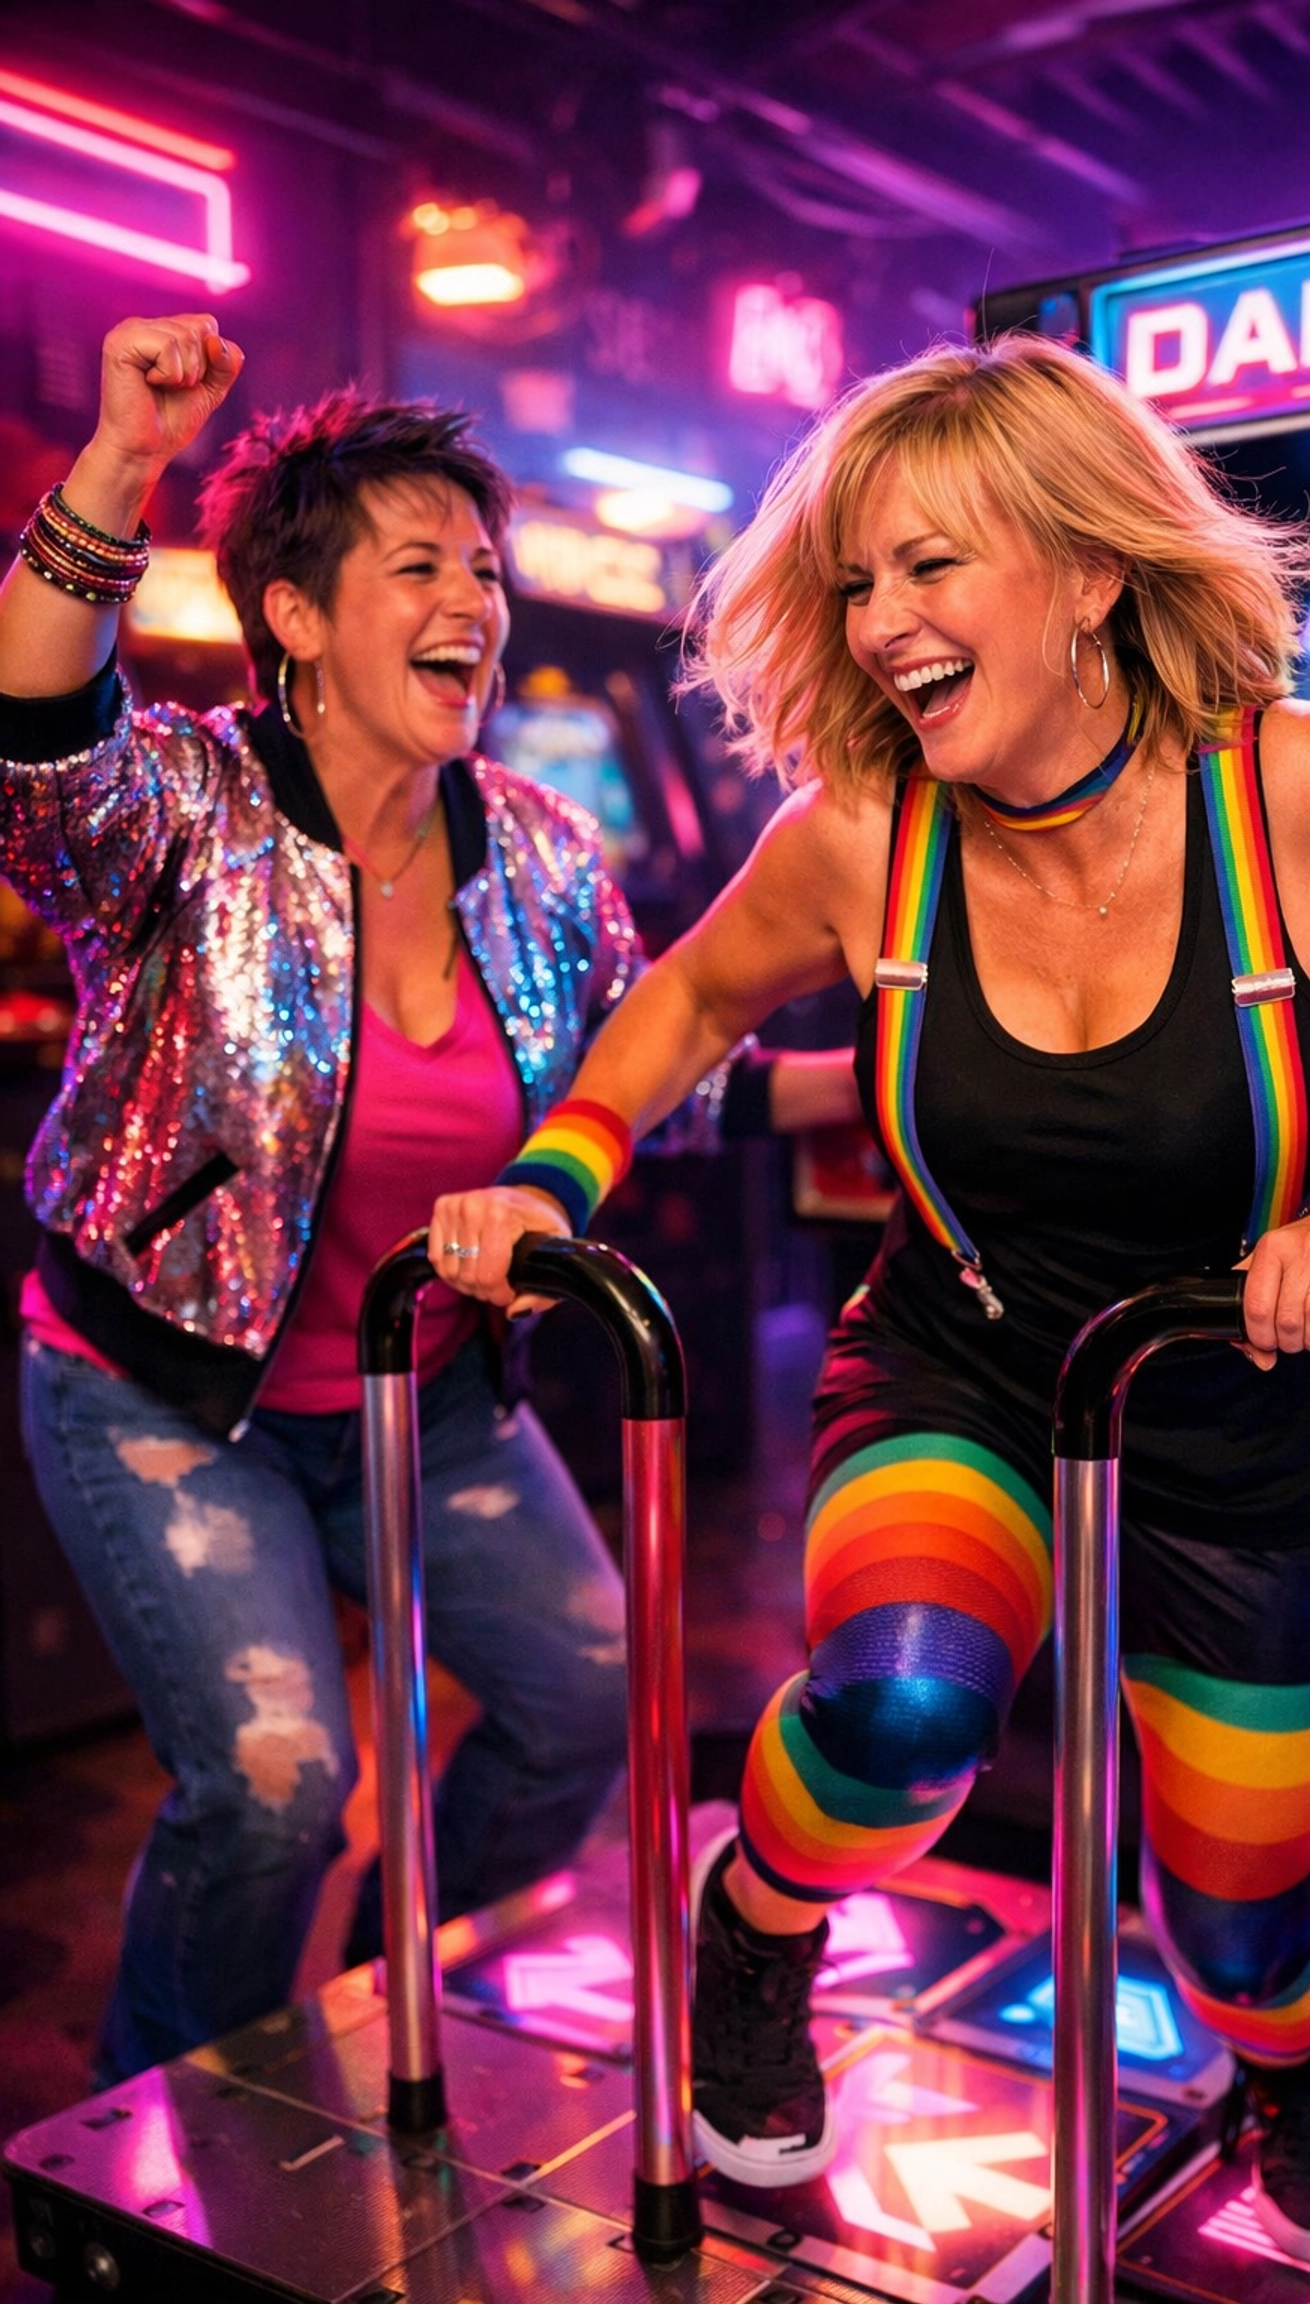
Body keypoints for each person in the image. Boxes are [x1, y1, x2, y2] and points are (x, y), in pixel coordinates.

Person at [431, 333, 1310, 2268]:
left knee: (1243, 1918)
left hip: (1253, 1421)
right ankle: (757, 1919)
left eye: (929, 568)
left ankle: (1287, 2056)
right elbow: (686, 997)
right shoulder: (864, 835)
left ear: (1091, 573)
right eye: (856, 581)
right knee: (909, 1702)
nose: (878, 624)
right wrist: (552, 1168)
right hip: (967, 1360)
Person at [0, 312, 839, 2086]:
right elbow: (33, 716)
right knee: (282, 1783)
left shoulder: (536, 846)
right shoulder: (186, 807)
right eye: (417, 566)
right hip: (165, 1397)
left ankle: (413, 2001)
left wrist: (931, 1083)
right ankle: (159, 2144)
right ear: (296, 618)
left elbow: (655, 1092)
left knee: (586, 1700)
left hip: (428, 1396)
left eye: (483, 563)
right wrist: (118, 461)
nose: (474, 597)